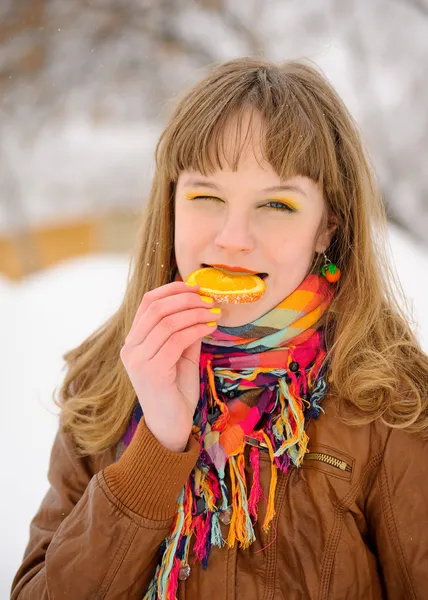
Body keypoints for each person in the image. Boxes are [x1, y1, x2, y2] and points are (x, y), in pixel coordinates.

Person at [11, 57, 428, 600]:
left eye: (276, 204)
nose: (233, 238)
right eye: (206, 197)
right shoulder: (105, 384)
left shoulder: (392, 405)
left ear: (327, 226)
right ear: (172, 206)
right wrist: (156, 450)